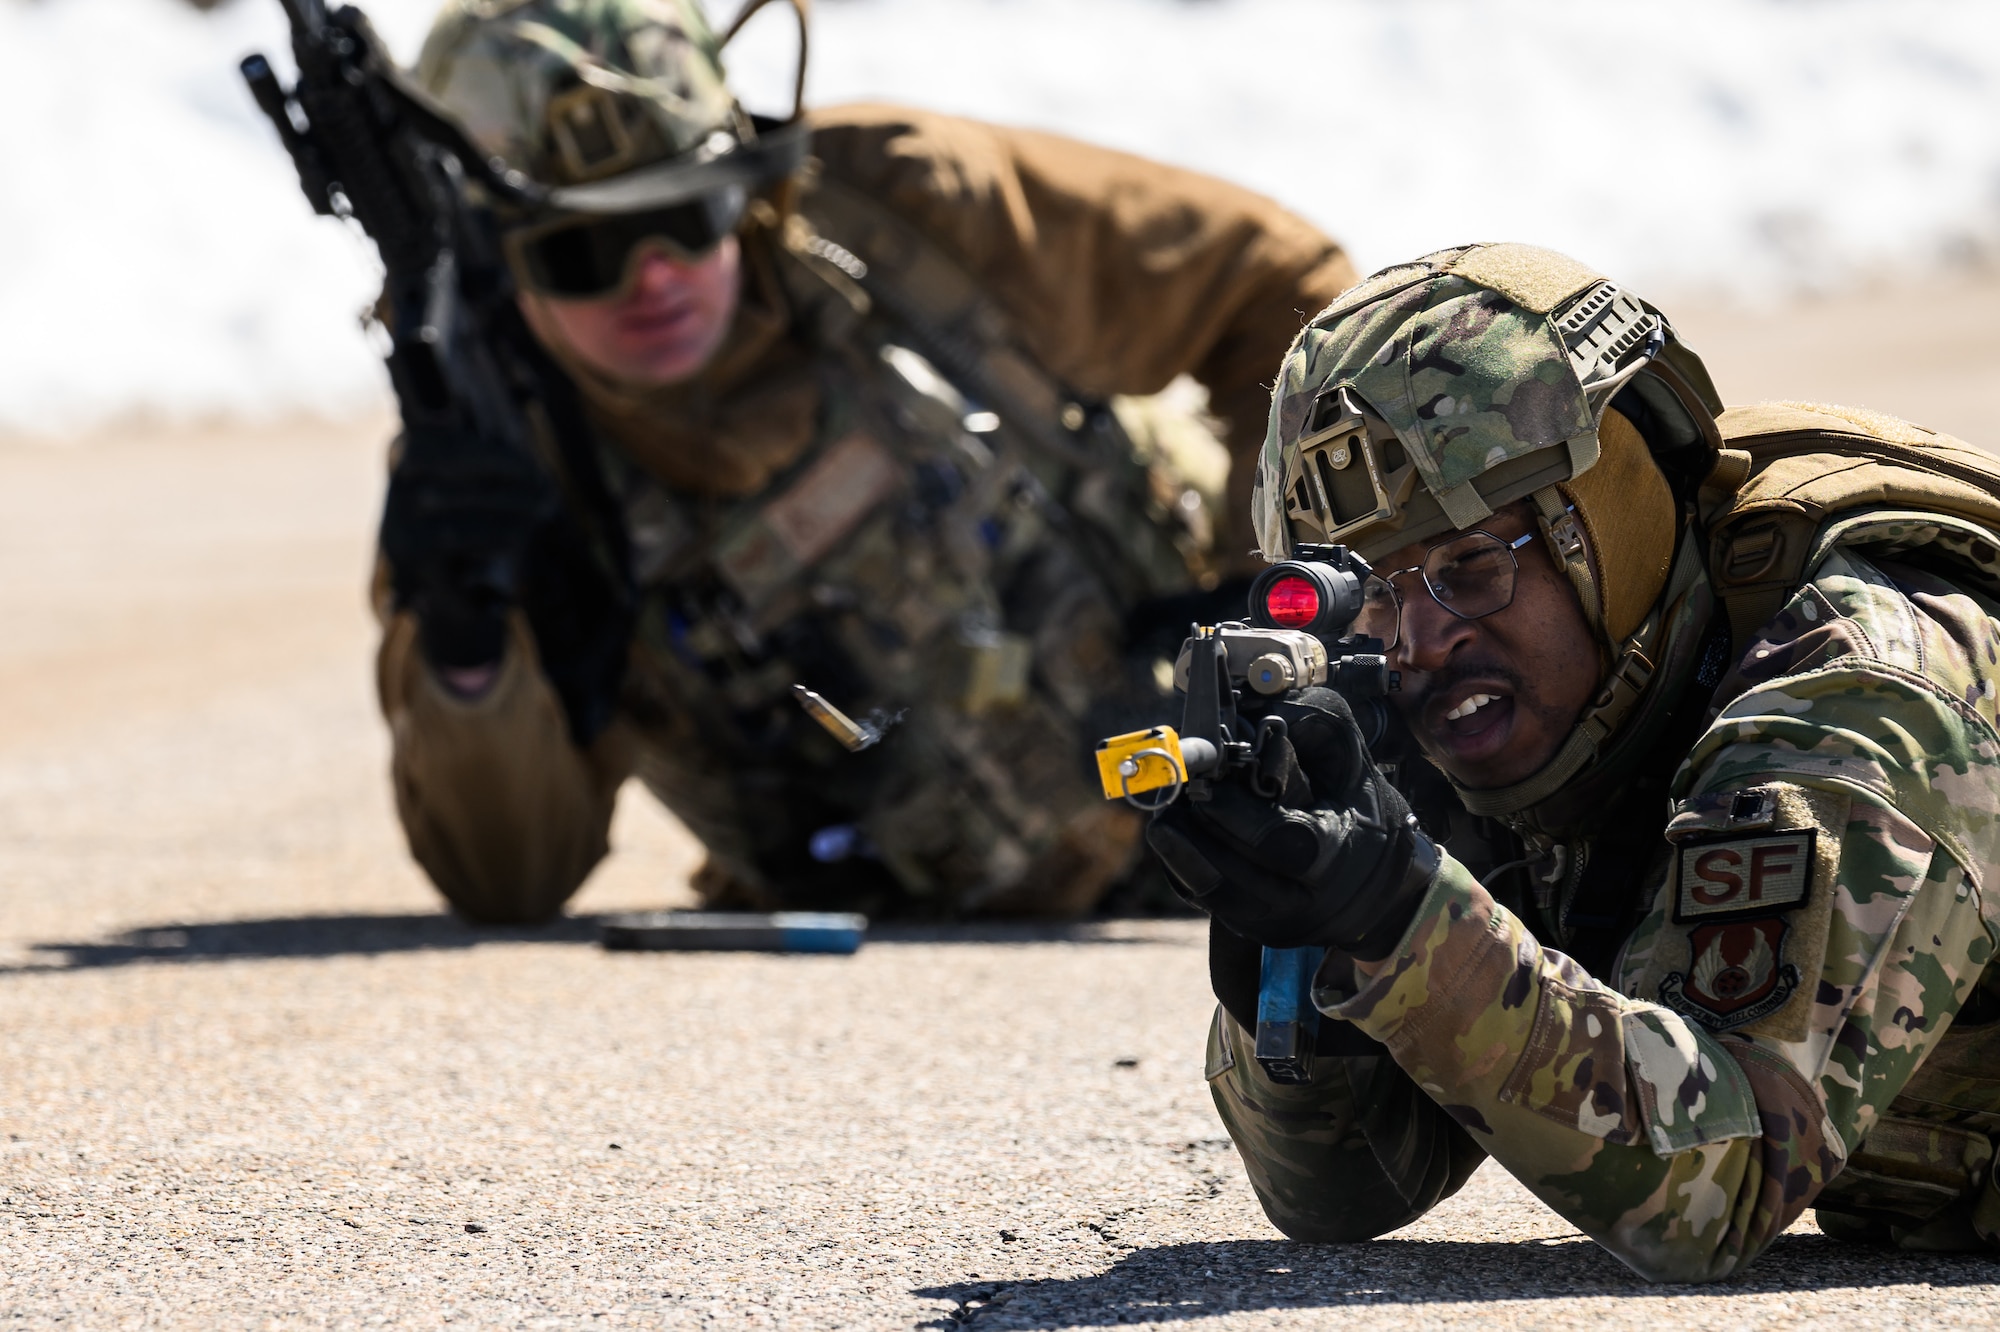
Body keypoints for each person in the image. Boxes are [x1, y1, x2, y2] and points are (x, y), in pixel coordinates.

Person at [373, 0, 1359, 924]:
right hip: (902, 937)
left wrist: (1252, 593)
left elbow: (1287, 291)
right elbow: (508, 876)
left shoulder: (905, 207)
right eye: (581, 252)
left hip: (1254, 820)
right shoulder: (491, 469)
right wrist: (465, 648)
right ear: (497, 261)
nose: (654, 278)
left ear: (744, 187)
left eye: (685, 215)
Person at [1149, 242, 2000, 1280]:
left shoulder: (1860, 695)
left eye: (1468, 564)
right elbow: (1341, 1193)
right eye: (1376, 591)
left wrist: (1403, 918)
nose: (1417, 638)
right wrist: (1294, 967)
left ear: (1614, 519)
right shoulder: (1556, 712)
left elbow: (1716, 1187)